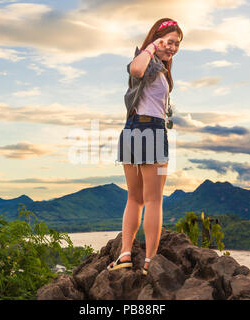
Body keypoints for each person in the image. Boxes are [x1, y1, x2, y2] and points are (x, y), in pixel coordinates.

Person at [108, 18, 183, 275]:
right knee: (153, 200)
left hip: (132, 131)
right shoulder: (147, 60)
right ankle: (149, 261)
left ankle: (125, 256)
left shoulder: (160, 68)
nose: (172, 47)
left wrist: (156, 50)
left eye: (176, 44)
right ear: (156, 38)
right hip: (149, 131)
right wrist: (152, 46)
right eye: (169, 41)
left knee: (136, 198)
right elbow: (135, 70)